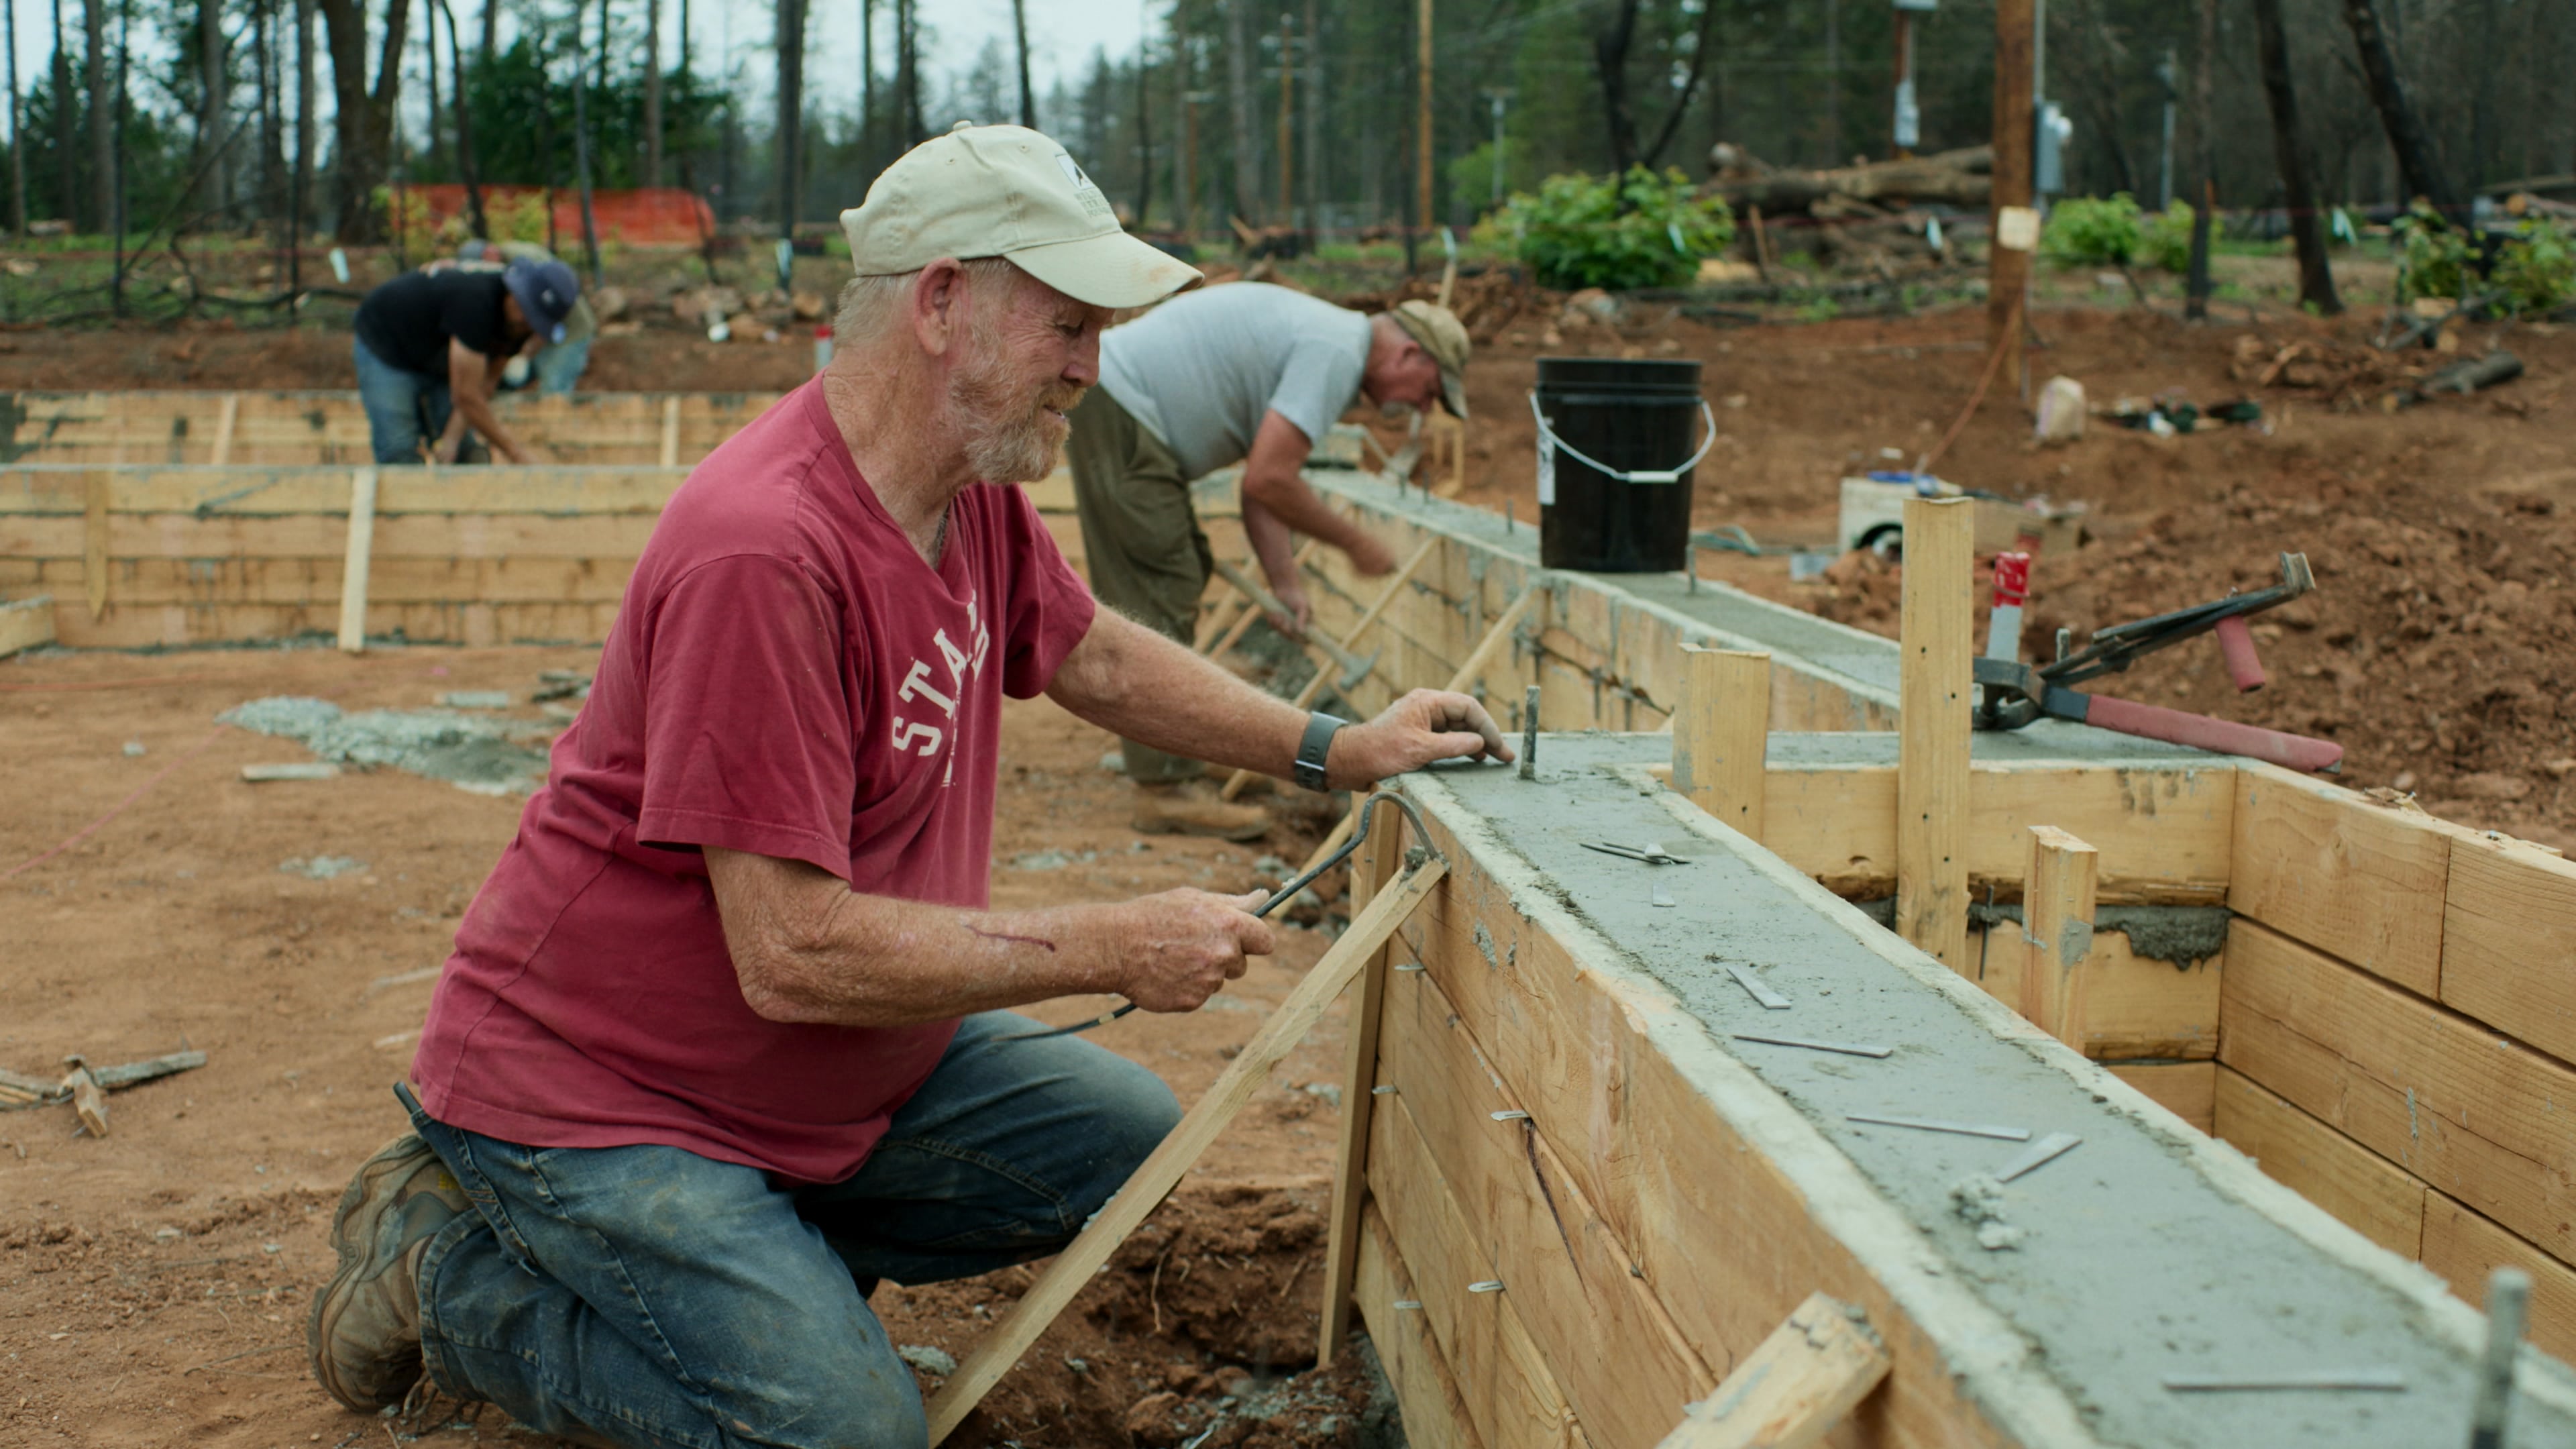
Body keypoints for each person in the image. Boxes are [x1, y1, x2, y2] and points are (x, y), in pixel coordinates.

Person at [304, 121, 1509, 1449]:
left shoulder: (966, 484)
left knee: (1118, 1138)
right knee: (847, 1435)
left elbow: (1093, 653)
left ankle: (757, 1271)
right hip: (613, 1092)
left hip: (823, 1071)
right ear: (942, 304)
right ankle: (448, 1278)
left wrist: (1338, 747)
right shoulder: (763, 553)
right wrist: (1112, 943)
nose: (1091, 365)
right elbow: (792, 953)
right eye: (1067, 325)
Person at [1067, 281, 1473, 841]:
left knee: (1182, 571)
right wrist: (1355, 543)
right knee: (1160, 585)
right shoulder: (1336, 353)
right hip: (1124, 412)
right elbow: (1270, 480)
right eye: (1430, 392)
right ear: (1409, 354)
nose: (1421, 408)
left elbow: (1262, 486)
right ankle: (1164, 789)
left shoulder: (1331, 340)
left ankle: (1179, 750)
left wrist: (1287, 586)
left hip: (1127, 412)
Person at [350, 256, 580, 465]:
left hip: (439, 351)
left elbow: (485, 385)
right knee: (398, 447)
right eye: (524, 309)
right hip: (388, 341)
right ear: (514, 291)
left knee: (465, 451)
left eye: (533, 319)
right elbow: (466, 396)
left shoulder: (521, 326)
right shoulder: (475, 301)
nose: (524, 320)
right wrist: (516, 454)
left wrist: (451, 440)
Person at [446, 239, 598, 396]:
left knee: (554, 386)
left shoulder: (526, 260)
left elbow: (546, 309)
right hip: (547, 329)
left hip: (571, 331)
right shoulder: (507, 269)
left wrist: (525, 355)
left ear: (489, 254)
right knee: (541, 377)